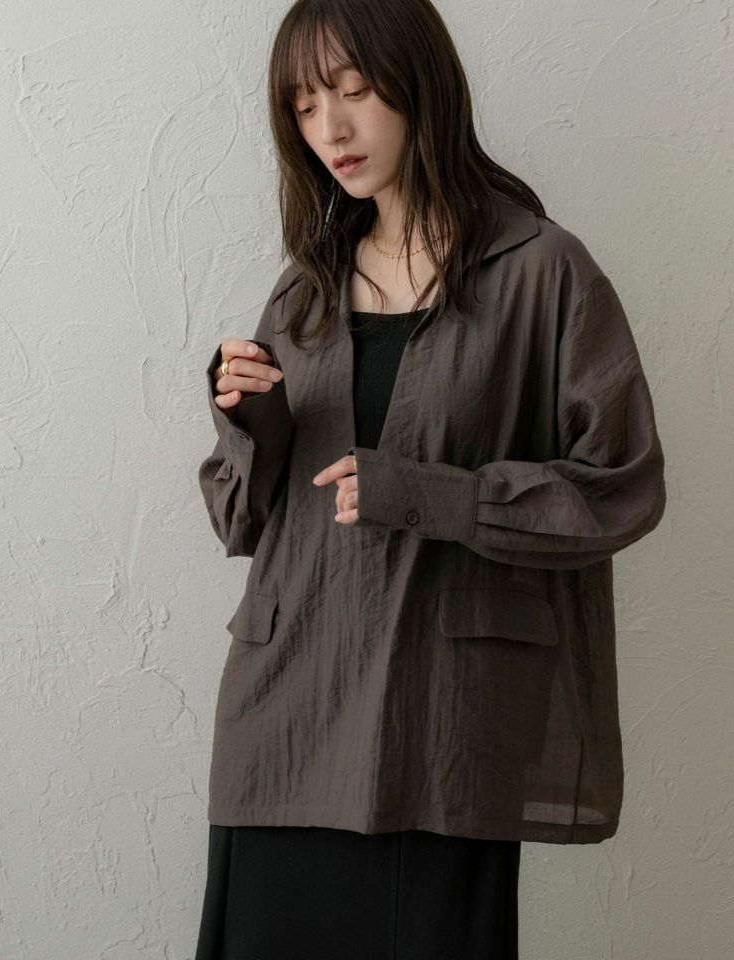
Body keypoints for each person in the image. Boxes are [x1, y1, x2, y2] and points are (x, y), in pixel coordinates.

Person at [194, 1, 667, 958]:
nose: (331, 128)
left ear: (421, 86)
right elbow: (242, 523)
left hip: (440, 725)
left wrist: (438, 495)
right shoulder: (306, 287)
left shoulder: (542, 271)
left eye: (355, 91)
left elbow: (622, 485)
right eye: (304, 106)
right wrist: (253, 427)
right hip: (285, 717)